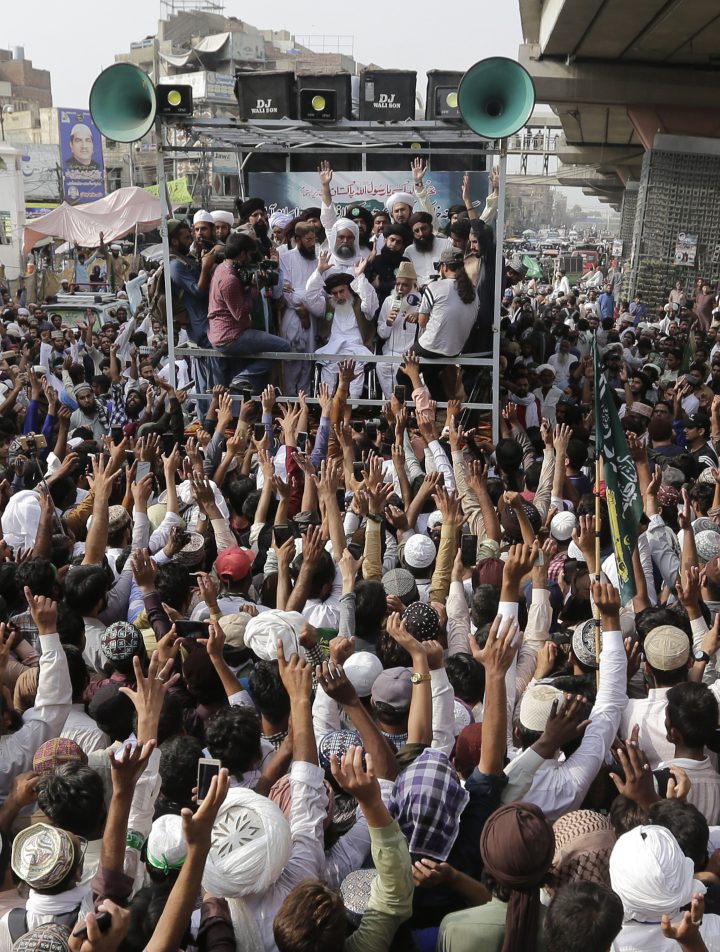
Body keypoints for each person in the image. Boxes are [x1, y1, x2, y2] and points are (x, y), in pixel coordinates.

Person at [207, 232, 291, 391]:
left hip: (225, 332)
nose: (250, 258)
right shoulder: (229, 279)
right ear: (242, 253)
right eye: (249, 254)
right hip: (230, 336)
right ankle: (244, 377)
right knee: (284, 347)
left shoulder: (223, 267)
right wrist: (254, 288)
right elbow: (241, 313)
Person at [406, 248, 478, 399]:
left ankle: (407, 411)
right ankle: (440, 410)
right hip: (454, 349)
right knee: (430, 374)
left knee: (404, 372)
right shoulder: (473, 290)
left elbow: (422, 322)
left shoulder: (435, 287)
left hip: (432, 345)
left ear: (444, 267)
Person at [376, 261, 421, 400]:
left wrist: (420, 316)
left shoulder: (422, 302)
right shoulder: (389, 301)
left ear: (413, 285)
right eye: (398, 284)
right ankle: (393, 404)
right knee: (381, 365)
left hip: (412, 353)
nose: (400, 288)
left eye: (405, 284)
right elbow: (382, 333)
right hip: (391, 351)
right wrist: (389, 322)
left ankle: (409, 407)